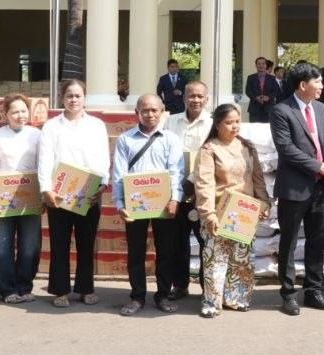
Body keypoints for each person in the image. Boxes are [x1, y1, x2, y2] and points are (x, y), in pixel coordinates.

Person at [270, 60, 324, 315]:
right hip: (294, 188)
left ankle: (314, 290)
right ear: (303, 85)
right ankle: (288, 293)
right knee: (289, 241)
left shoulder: (322, 109)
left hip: (319, 188)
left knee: (317, 240)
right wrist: (319, 166)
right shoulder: (281, 110)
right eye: (318, 82)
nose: (322, 86)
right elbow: (286, 149)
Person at [193, 103, 271, 317]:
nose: (235, 126)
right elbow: (204, 184)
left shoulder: (247, 147)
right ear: (218, 124)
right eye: (229, 122)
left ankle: (236, 299)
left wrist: (264, 202)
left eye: (237, 121)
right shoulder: (209, 149)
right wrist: (208, 214)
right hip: (219, 211)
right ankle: (211, 302)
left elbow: (257, 178)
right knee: (215, 258)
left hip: (244, 211)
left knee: (241, 258)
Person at [38, 78, 110, 308]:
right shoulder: (51, 126)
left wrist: (102, 184)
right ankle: (60, 290)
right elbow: (44, 160)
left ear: (84, 98)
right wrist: (46, 189)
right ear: (62, 98)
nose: (73, 100)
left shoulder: (96, 125)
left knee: (86, 243)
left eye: (78, 96)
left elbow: (103, 157)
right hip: (59, 193)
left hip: (88, 192)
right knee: (59, 243)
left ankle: (85, 288)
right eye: (69, 95)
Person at [113, 93, 185, 315]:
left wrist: (175, 199)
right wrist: (120, 203)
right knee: (136, 251)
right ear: (137, 113)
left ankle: (162, 294)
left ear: (162, 112)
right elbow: (118, 174)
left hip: (164, 204)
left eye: (155, 110)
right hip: (135, 205)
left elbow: (176, 171)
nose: (150, 114)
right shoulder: (125, 139)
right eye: (145, 110)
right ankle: (137, 296)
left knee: (166, 251)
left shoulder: (171, 139)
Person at [0, 93, 43, 304]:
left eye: (24, 111)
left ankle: (24, 287)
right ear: (6, 114)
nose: (20, 115)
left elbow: (44, 166)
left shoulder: (37, 135)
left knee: (30, 247)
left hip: (30, 197)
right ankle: (7, 289)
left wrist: (43, 195)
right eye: (15, 112)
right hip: (3, 198)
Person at [164, 80, 212, 299]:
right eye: (191, 96)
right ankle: (180, 285)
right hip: (175, 192)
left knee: (206, 242)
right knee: (177, 242)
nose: (195, 100)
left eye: (200, 96)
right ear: (184, 98)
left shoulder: (213, 124)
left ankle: (206, 288)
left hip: (203, 193)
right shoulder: (171, 121)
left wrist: (193, 180)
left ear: (206, 99)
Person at [244, 56, 283, 123]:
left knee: (268, 128)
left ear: (266, 65)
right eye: (259, 63)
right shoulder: (250, 77)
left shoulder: (272, 78)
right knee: (254, 128)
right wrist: (256, 98)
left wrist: (268, 97)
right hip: (254, 109)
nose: (261, 65)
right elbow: (248, 91)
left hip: (268, 109)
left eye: (263, 63)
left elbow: (276, 91)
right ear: (256, 65)